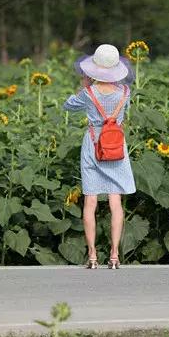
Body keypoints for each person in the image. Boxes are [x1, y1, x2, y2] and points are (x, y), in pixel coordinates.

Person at [63, 44, 136, 269]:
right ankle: (114, 256)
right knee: (115, 201)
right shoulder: (125, 92)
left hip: (94, 145)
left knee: (91, 201)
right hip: (116, 146)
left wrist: (84, 86)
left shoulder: (88, 93)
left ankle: (93, 257)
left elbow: (68, 105)